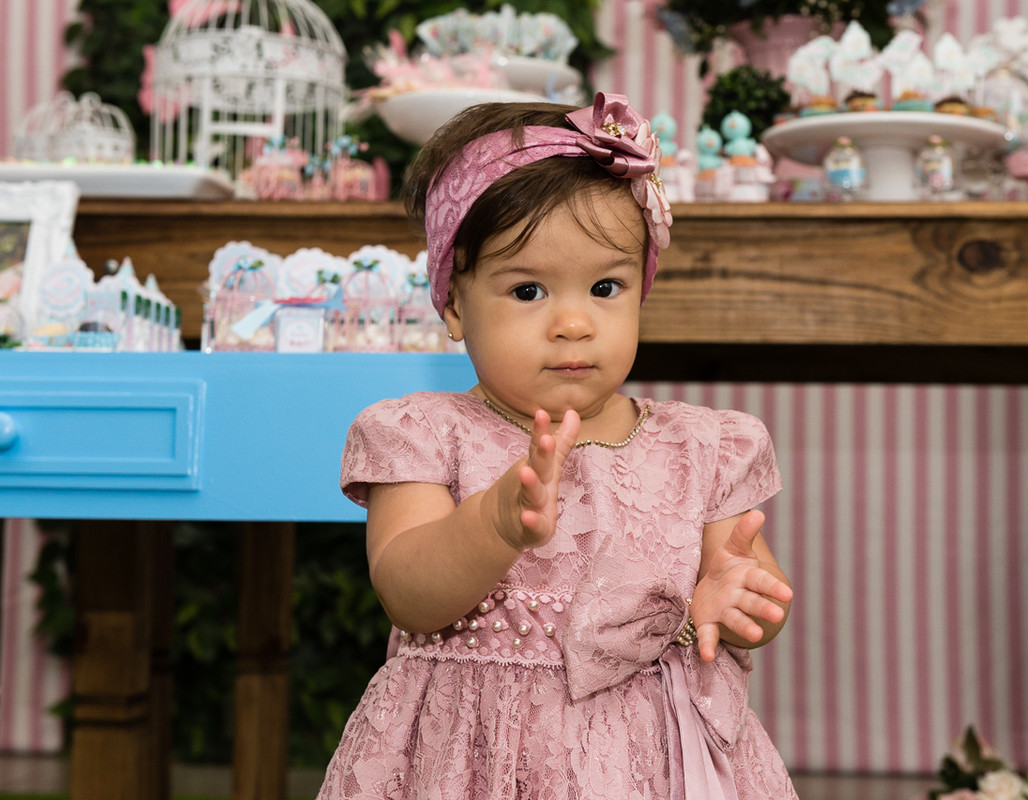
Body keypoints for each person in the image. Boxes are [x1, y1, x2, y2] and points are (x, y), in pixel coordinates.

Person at [318, 92, 798, 800]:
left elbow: (758, 595)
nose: (573, 322)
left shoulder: (705, 445)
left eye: (605, 286)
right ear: (453, 301)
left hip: (657, 760)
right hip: (476, 760)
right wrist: (495, 521)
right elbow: (407, 593)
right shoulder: (422, 433)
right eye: (528, 290)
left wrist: (733, 600)